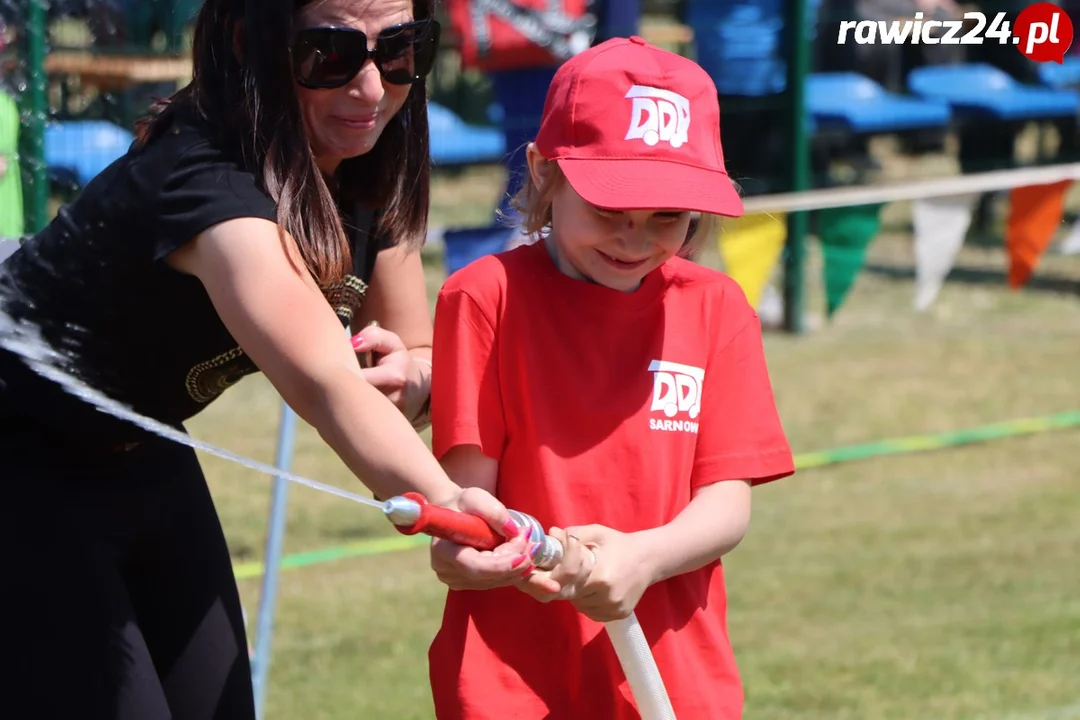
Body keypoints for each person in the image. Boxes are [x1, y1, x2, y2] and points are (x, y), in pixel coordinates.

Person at [0, 1, 529, 718]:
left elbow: (415, 348)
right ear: (252, 42)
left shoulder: (370, 160)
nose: (372, 88)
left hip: (143, 447)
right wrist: (445, 506)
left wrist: (415, 375)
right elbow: (324, 383)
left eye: (401, 49)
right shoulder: (205, 184)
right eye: (329, 55)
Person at [425, 36, 796, 719]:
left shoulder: (717, 308)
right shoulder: (482, 298)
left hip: (672, 674)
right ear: (543, 173)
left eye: (667, 218)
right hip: (513, 680)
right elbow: (467, 504)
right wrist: (471, 552)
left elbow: (727, 504)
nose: (634, 240)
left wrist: (644, 558)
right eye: (608, 211)